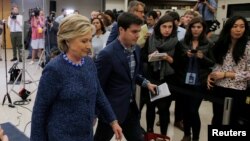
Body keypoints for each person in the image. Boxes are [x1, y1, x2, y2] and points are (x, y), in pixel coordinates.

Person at [30, 14, 123, 141]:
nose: (89, 46)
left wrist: (113, 121)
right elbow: (40, 111)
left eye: (90, 40)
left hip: (86, 135)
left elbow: (99, 95)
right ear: (67, 40)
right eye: (84, 41)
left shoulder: (89, 63)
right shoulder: (54, 70)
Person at [94, 12, 157, 141]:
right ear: (121, 30)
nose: (138, 35)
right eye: (134, 32)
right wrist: (96, 114)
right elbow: (98, 87)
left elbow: (131, 75)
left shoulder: (136, 49)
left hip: (130, 108)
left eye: (139, 31)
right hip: (111, 112)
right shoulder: (107, 54)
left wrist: (146, 83)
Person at [174, 17, 214, 141]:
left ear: (203, 29)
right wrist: (185, 55)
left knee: (193, 110)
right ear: (189, 28)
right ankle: (187, 134)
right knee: (186, 110)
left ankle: (195, 137)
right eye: (193, 27)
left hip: (199, 83)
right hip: (184, 81)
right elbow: (176, 63)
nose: (196, 30)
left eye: (199, 27)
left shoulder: (209, 44)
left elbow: (213, 63)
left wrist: (203, 57)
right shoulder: (182, 43)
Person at [207, 16, 250, 126]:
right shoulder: (221, 45)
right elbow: (216, 65)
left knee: (233, 122)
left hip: (237, 90)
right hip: (219, 88)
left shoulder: (248, 47)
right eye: (235, 26)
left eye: (242, 26)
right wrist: (210, 75)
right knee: (217, 120)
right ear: (228, 28)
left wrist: (226, 74)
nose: (238, 30)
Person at [142, 15, 179, 136]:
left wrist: (167, 58)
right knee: (150, 107)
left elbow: (179, 64)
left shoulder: (176, 42)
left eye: (170, 27)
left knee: (164, 109)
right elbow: (143, 57)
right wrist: (152, 57)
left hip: (167, 79)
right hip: (152, 77)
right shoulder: (151, 39)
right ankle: (150, 133)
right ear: (159, 27)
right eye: (164, 26)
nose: (167, 29)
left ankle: (163, 135)